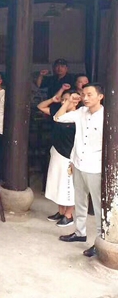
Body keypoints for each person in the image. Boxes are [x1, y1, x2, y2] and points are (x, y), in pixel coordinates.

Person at [55, 83, 104, 258]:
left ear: (100, 96)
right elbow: (58, 118)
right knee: (80, 201)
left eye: (90, 94)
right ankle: (80, 232)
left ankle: (100, 241)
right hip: (78, 163)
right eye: (83, 94)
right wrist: (69, 102)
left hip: (95, 166)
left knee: (98, 205)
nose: (85, 98)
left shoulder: (106, 116)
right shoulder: (81, 112)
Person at [37, 86, 76, 228]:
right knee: (57, 182)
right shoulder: (59, 112)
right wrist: (53, 99)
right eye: (63, 100)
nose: (64, 102)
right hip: (56, 151)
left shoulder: (78, 116)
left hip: (69, 154)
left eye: (67, 100)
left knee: (68, 185)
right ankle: (61, 211)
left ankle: (69, 215)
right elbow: (41, 107)